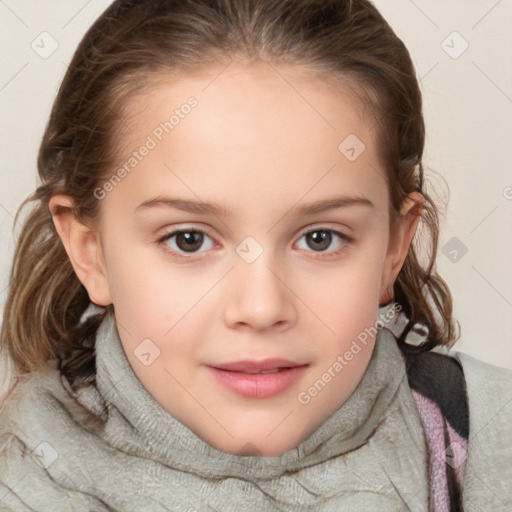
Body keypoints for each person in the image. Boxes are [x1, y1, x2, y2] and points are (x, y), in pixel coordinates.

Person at [0, 0, 510, 510]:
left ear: (393, 248)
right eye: (189, 239)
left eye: (320, 238)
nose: (262, 308)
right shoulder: (18, 476)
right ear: (91, 253)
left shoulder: (489, 442)